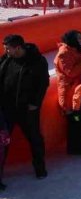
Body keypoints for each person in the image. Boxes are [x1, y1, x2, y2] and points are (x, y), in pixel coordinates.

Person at [0, 34, 50, 184]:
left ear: (18, 48)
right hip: (6, 107)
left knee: (34, 138)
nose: (6, 51)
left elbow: (43, 83)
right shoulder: (6, 59)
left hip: (27, 108)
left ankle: (40, 168)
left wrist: (35, 103)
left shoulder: (37, 61)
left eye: (8, 48)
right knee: (2, 141)